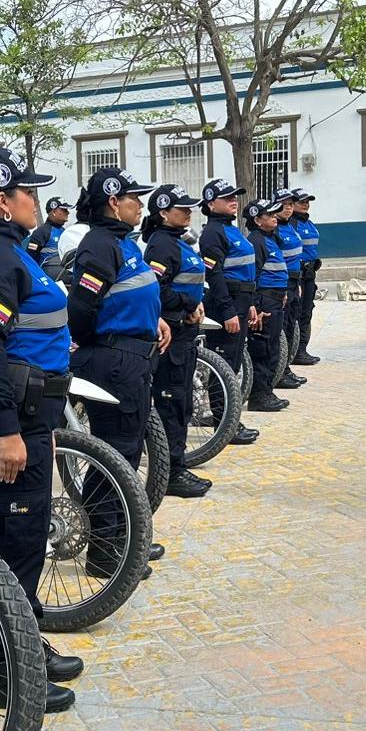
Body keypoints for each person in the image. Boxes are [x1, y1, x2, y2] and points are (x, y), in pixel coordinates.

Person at [0, 147, 81, 714]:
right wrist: (7, 430)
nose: (37, 200)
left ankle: (24, 648)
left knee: (25, 543)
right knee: (15, 549)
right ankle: (9, 676)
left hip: (33, 417)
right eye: (28, 192)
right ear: (4, 201)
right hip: (12, 422)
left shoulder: (11, 253)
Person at [68, 167, 170, 579]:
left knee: (126, 455)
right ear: (113, 200)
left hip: (133, 355)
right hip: (115, 360)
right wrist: (108, 341)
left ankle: (125, 541)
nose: (140, 205)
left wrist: (154, 322)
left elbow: (131, 294)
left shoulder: (121, 243)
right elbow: (82, 310)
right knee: (115, 457)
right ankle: (107, 554)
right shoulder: (99, 245)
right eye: (134, 198)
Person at [143, 184, 214, 498]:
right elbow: (157, 288)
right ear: (163, 212)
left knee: (183, 402)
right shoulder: (161, 245)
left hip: (185, 329)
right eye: (182, 208)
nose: (188, 211)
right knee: (172, 402)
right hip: (171, 332)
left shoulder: (177, 241)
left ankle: (179, 462)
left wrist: (195, 304)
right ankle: (171, 472)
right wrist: (186, 305)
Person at [198, 178, 260, 445]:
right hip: (228, 302)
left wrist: (252, 304)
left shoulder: (231, 229)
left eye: (235, 197)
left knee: (233, 366)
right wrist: (227, 312)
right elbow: (215, 275)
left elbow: (245, 269)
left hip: (242, 301)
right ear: (212, 203)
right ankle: (224, 424)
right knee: (224, 367)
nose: (234, 200)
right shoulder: (213, 233)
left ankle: (230, 420)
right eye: (227, 198)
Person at [243, 198, 291, 413]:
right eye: (270, 215)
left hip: (276, 297)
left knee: (272, 347)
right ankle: (259, 396)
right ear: (257, 219)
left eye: (275, 214)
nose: (275, 217)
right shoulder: (256, 241)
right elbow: (254, 275)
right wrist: (257, 305)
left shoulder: (270, 238)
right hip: (265, 300)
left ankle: (267, 392)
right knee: (263, 349)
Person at [270, 189, 307, 389]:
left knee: (291, 326)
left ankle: (286, 369)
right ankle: (280, 372)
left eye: (291, 204)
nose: (288, 208)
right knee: (282, 330)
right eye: (284, 204)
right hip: (282, 285)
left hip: (294, 282)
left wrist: (298, 283)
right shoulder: (274, 230)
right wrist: (284, 289)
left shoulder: (291, 226)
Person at [289, 189, 322, 365]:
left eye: (307, 201)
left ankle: (302, 349)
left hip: (310, 274)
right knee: (298, 313)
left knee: (306, 313)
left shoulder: (308, 223)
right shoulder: (291, 224)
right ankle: (295, 352)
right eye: (301, 201)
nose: (305, 204)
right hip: (299, 274)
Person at [25, 195, 73, 273]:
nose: (68, 213)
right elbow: (30, 259)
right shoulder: (41, 232)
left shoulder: (65, 231)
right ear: (53, 212)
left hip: (65, 279)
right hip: (47, 279)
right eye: (64, 210)